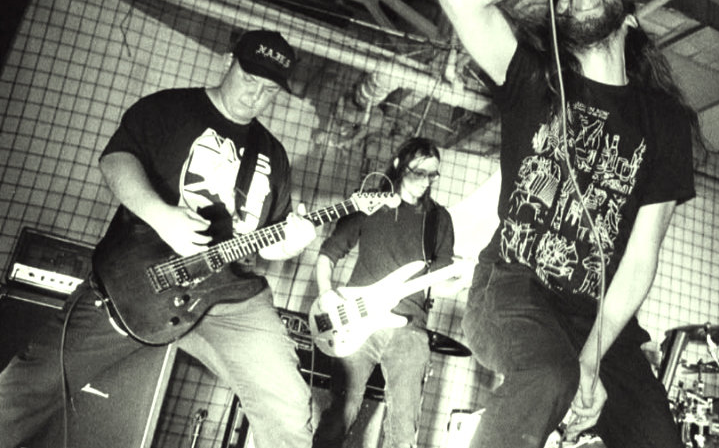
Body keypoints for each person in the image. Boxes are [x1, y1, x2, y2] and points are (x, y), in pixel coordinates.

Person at [0, 29, 319, 448]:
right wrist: (161, 216)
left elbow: (268, 238)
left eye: (269, 90)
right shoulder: (170, 108)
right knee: (30, 386)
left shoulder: (273, 154)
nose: (255, 95)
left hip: (231, 296)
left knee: (289, 406)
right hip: (142, 282)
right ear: (228, 62)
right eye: (249, 79)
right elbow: (116, 160)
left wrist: (292, 243)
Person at [437, 0, 703, 448]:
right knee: (550, 375)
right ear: (560, 23)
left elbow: (640, 258)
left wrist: (592, 359)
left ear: (630, 19)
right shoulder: (534, 79)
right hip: (512, 286)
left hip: (601, 320)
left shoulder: (664, 122)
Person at [314, 137, 456, 448]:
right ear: (399, 165)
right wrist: (326, 293)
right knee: (341, 413)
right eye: (419, 172)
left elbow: (438, 282)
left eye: (432, 175)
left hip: (409, 328)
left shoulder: (439, 219)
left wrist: (462, 282)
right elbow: (328, 255)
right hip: (357, 319)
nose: (426, 182)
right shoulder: (370, 204)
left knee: (404, 431)